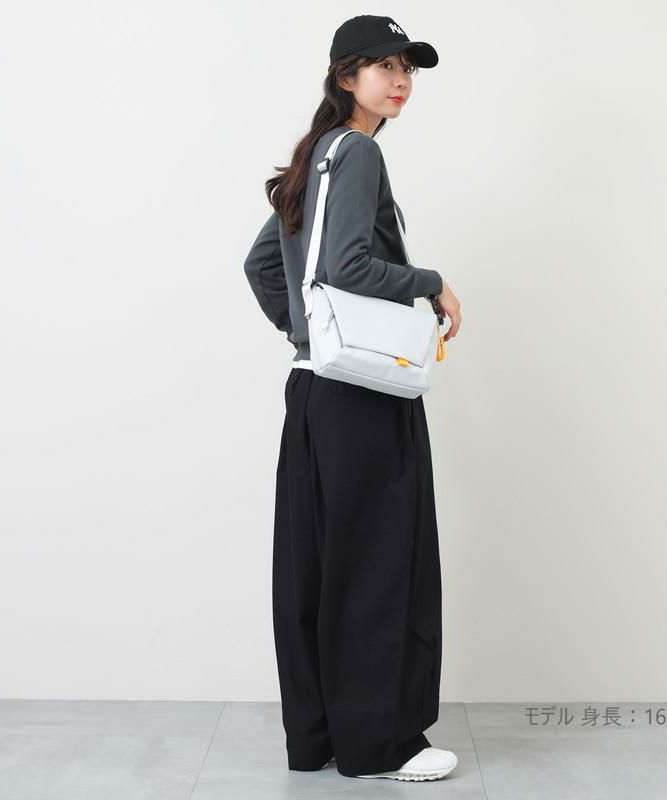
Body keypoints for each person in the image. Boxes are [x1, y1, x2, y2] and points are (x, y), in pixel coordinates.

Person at [243, 14, 462, 782]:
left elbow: (262, 266)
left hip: (312, 392)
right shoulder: (359, 152)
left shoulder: (316, 156)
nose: (400, 80)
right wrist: (430, 282)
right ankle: (383, 745)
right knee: (376, 566)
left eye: (408, 68)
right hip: (364, 397)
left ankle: (318, 738)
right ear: (346, 77)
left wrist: (307, 333)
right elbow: (347, 267)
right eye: (384, 66)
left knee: (314, 567)